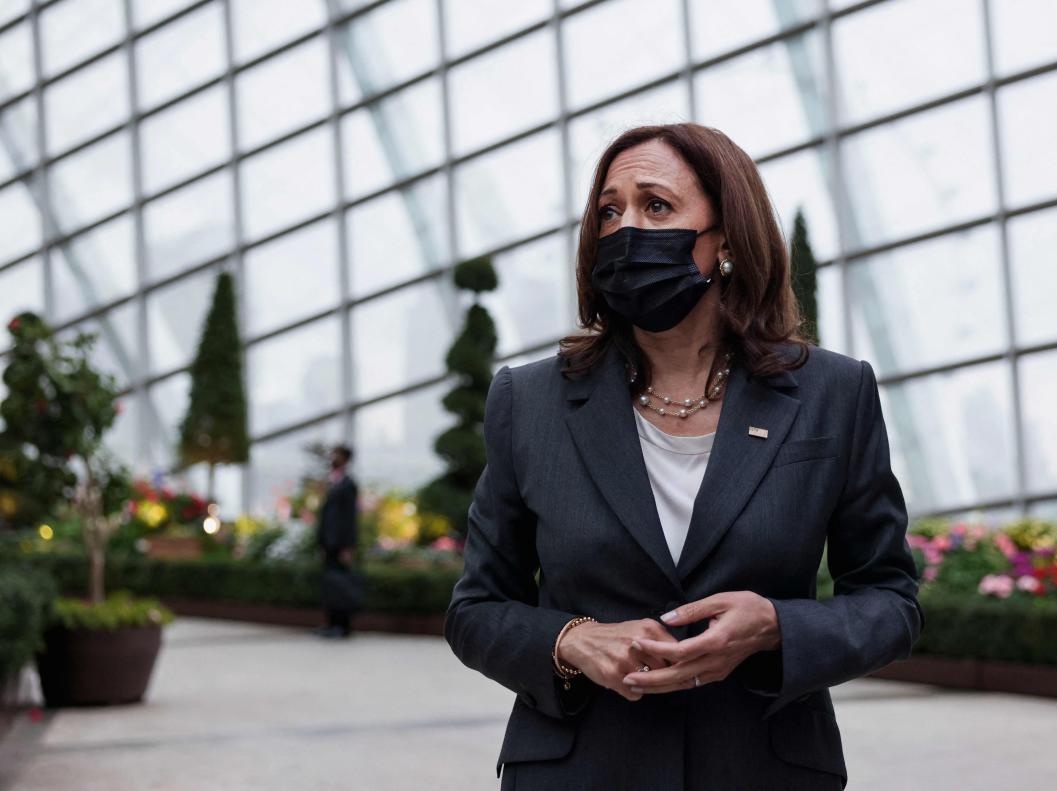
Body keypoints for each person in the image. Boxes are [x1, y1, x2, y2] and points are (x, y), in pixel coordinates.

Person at [443, 122, 924, 790]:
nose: (625, 228)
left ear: (726, 235)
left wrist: (776, 627)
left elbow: (891, 600)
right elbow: (475, 609)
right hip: (578, 770)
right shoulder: (530, 400)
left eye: (656, 205)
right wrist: (572, 640)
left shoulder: (832, 394)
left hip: (763, 769)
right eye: (609, 211)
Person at [314, 443, 359, 639]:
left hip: (341, 545)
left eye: (337, 454)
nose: (333, 457)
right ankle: (331, 623)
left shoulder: (349, 484)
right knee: (330, 586)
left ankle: (343, 626)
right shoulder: (333, 482)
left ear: (345, 458)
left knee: (341, 585)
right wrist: (322, 543)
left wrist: (348, 546)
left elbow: (350, 518)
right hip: (329, 545)